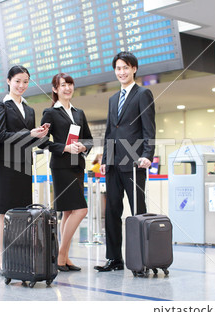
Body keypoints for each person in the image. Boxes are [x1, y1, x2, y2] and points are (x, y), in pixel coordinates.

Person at [94, 51, 156, 272]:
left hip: (134, 163)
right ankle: (114, 259)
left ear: (134, 69)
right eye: (118, 68)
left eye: (125, 68)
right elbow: (111, 131)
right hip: (113, 165)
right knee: (111, 211)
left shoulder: (143, 94)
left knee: (138, 211)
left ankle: (143, 259)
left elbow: (149, 129)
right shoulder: (112, 99)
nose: (121, 72)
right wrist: (105, 158)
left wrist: (147, 155)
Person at [0, 65, 49, 271]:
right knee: (4, 213)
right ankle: (3, 258)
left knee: (23, 212)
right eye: (17, 81)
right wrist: (29, 134)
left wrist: (40, 135)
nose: (21, 85)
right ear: (8, 81)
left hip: (25, 164)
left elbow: (30, 142)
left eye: (25, 82)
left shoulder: (29, 109)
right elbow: (0, 135)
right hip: (7, 164)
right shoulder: (1, 106)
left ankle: (20, 256)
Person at [40, 73, 93, 272]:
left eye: (70, 84)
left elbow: (88, 138)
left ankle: (65, 256)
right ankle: (60, 254)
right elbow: (41, 141)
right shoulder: (50, 112)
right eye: (63, 85)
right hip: (62, 167)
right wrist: (64, 147)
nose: (67, 88)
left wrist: (82, 147)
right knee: (81, 209)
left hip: (77, 165)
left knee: (69, 211)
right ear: (55, 89)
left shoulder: (79, 112)